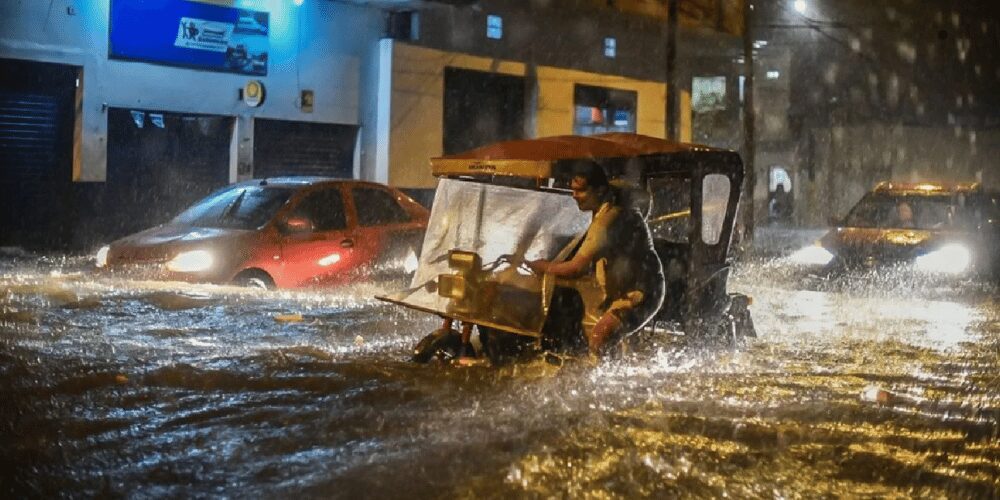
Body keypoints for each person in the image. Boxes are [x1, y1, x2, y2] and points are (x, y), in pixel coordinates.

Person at [528, 162, 665, 357]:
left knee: (599, 339)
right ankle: (620, 376)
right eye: (573, 190)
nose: (574, 195)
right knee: (610, 345)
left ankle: (606, 385)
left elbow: (576, 268)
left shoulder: (608, 220)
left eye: (581, 190)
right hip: (625, 290)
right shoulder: (605, 205)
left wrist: (541, 266)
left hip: (641, 293)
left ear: (600, 190)